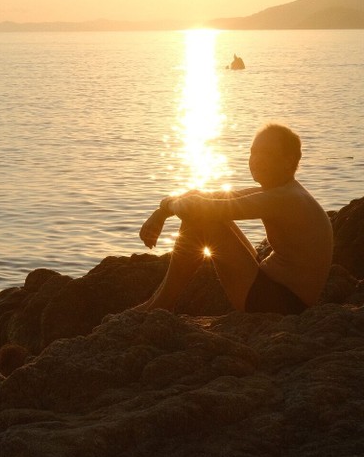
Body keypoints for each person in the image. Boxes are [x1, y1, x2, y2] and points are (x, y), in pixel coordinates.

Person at [135, 123, 332, 314]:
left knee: (201, 218)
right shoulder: (281, 192)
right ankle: (158, 302)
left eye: (265, 153)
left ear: (288, 161)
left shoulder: (286, 199)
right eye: (253, 152)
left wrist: (165, 208)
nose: (255, 159)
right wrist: (161, 212)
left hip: (282, 305)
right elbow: (206, 196)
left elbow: (197, 207)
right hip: (272, 289)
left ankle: (160, 304)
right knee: (205, 214)